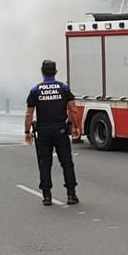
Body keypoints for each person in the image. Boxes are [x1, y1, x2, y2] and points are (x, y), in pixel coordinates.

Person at [25, 60, 81, 206]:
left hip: (43, 131)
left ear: (42, 72)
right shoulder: (63, 88)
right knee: (67, 163)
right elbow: (73, 109)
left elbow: (29, 114)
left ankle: (46, 196)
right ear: (56, 72)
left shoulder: (35, 90)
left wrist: (27, 132)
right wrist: (76, 126)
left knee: (45, 164)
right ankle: (71, 194)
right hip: (61, 130)